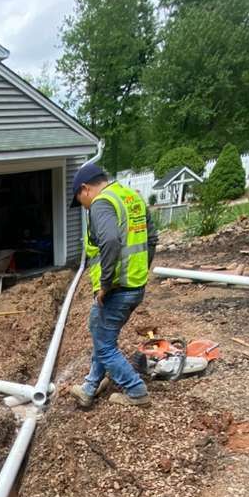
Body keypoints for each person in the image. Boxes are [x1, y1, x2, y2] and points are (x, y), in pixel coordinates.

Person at [67, 162, 158, 409]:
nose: (83, 207)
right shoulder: (131, 198)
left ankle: (136, 390)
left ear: (85, 189)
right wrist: (140, 269)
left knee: (105, 344)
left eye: (80, 200)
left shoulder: (102, 203)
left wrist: (106, 283)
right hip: (135, 284)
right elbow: (151, 239)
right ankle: (89, 387)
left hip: (117, 289)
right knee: (101, 333)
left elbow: (109, 241)